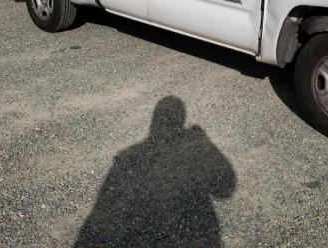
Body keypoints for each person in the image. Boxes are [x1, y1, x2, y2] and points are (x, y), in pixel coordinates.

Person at [75, 96, 236, 247]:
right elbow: (225, 189)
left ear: (154, 122)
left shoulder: (128, 158)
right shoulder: (130, 157)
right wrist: (205, 143)